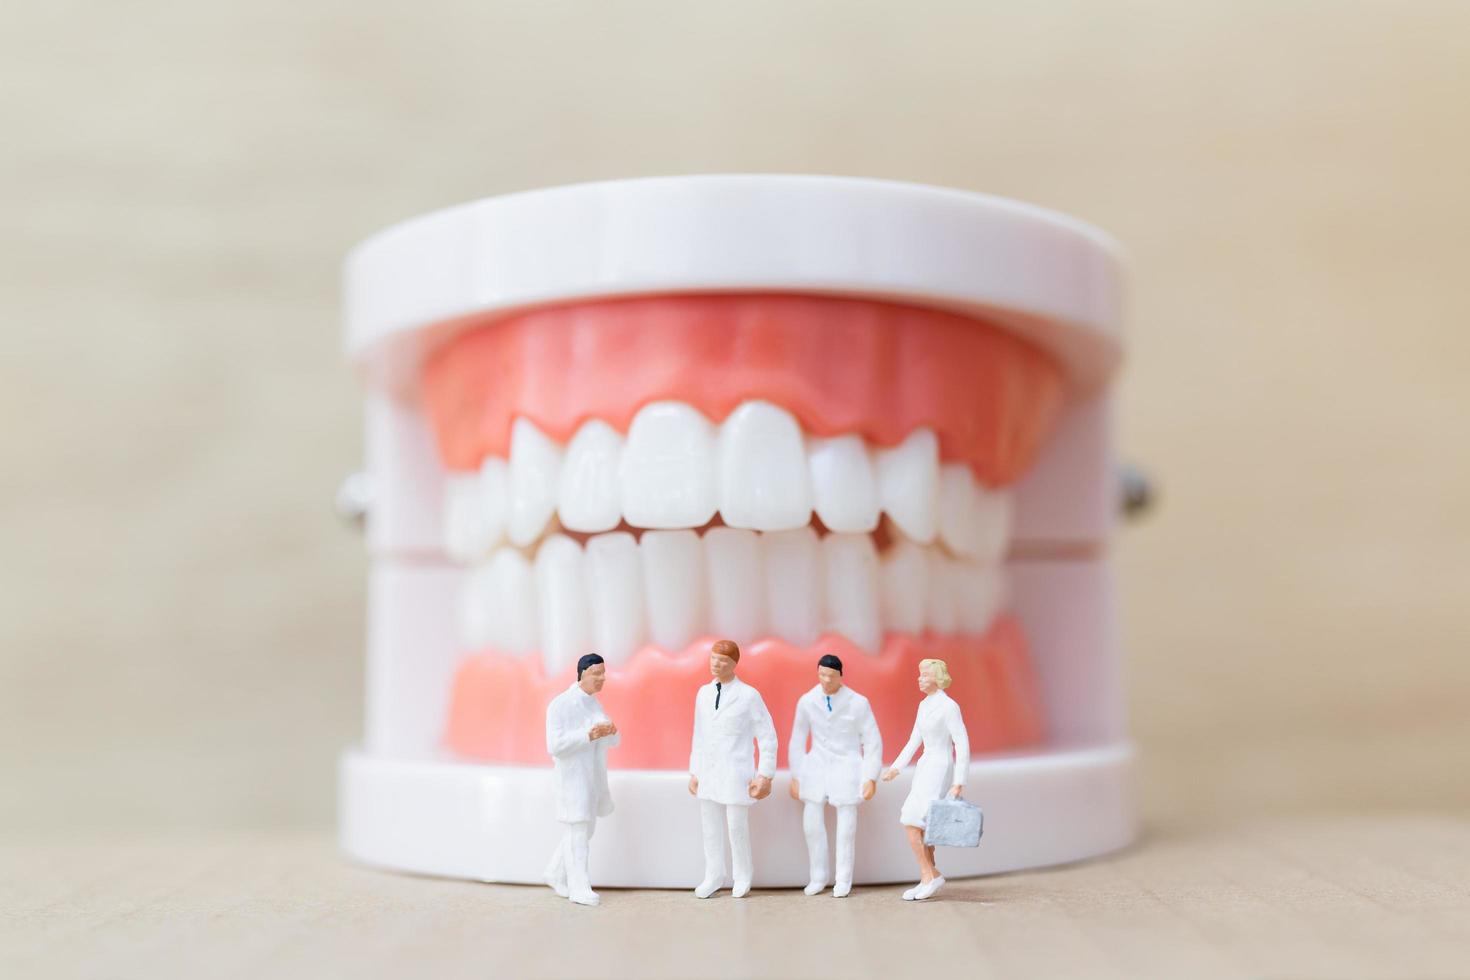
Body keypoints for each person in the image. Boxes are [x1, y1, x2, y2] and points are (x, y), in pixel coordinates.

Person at [687, 638, 777, 898]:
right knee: (710, 827)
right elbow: (698, 734)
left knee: (736, 826)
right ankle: (714, 874)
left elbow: (767, 736)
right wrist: (695, 771)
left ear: (734, 664)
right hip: (708, 771)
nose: (716, 664)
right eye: (713, 658)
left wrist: (765, 774)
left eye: (723, 661)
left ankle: (742, 875)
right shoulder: (703, 693)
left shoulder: (748, 695)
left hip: (737, 771)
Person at [788, 653, 883, 897]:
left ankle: (843, 879)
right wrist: (796, 774)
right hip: (816, 765)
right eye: (822, 675)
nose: (826, 680)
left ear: (841, 675)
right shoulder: (807, 701)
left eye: (831, 676)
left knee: (846, 827)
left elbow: (872, 741)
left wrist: (870, 776)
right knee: (812, 824)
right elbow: (797, 739)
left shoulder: (858, 703)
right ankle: (818, 876)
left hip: (847, 764)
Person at [881, 658, 969, 901]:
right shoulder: (923, 705)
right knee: (919, 822)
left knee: (915, 820)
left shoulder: (949, 707)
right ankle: (930, 875)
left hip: (940, 767)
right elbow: (913, 740)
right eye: (919, 674)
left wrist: (959, 780)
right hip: (925, 766)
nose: (920, 679)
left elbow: (961, 742)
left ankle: (928, 875)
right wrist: (896, 767)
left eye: (925, 675)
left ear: (937, 678)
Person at [544, 653, 619, 907]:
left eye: (603, 674)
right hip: (572, 779)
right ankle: (579, 887)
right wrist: (589, 734)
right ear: (582, 674)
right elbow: (555, 746)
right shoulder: (560, 705)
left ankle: (555, 872)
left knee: (585, 830)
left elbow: (610, 739)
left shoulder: (593, 704)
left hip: (592, 778)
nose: (602, 679)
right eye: (596, 674)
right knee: (577, 831)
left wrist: (609, 732)